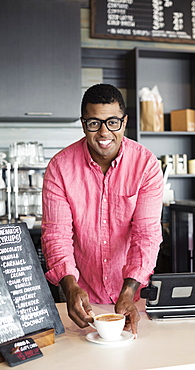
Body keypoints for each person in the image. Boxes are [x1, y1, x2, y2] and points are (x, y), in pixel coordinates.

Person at [41, 84, 163, 338]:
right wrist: (70, 286)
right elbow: (56, 235)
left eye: (113, 122)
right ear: (84, 124)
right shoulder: (60, 168)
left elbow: (147, 235)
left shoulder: (146, 165)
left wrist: (128, 291)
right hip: (82, 301)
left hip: (132, 297)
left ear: (124, 121)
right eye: (94, 123)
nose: (104, 132)